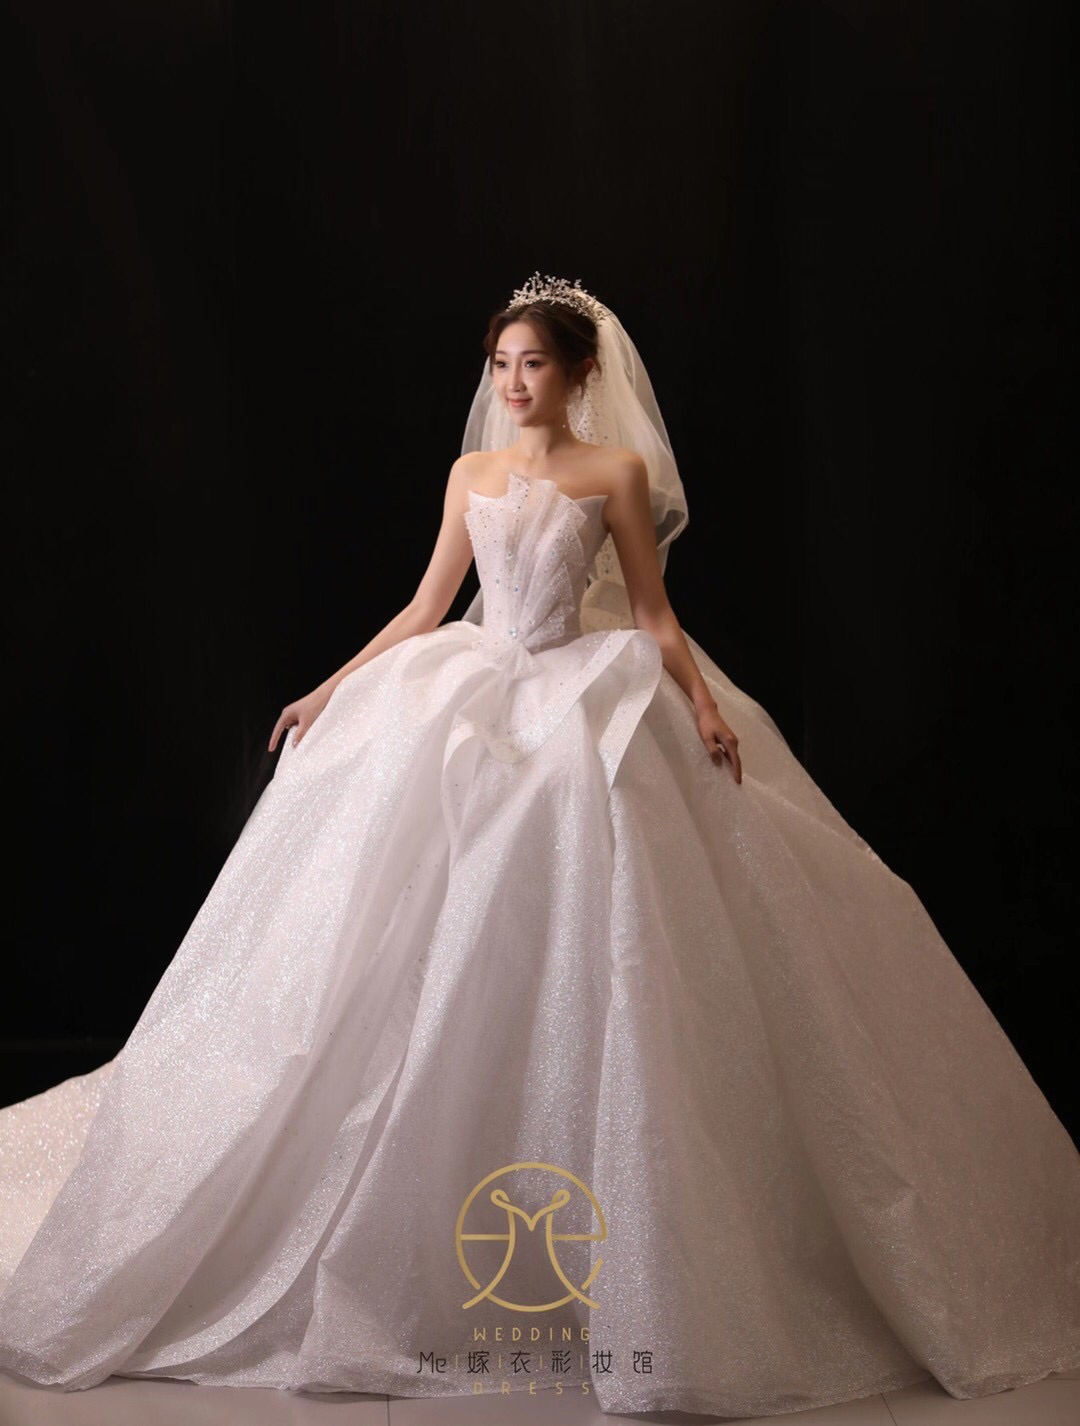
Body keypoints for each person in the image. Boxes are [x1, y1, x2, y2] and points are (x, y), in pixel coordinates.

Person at [0, 272, 1077, 1419]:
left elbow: (652, 613)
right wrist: (330, 689)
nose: (513, 383)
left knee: (607, 913)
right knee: (404, 923)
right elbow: (426, 609)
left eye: (534, 365)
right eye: (502, 365)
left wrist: (703, 706)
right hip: (474, 695)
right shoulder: (470, 473)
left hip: (583, 694)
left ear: (578, 375)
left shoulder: (614, 474)